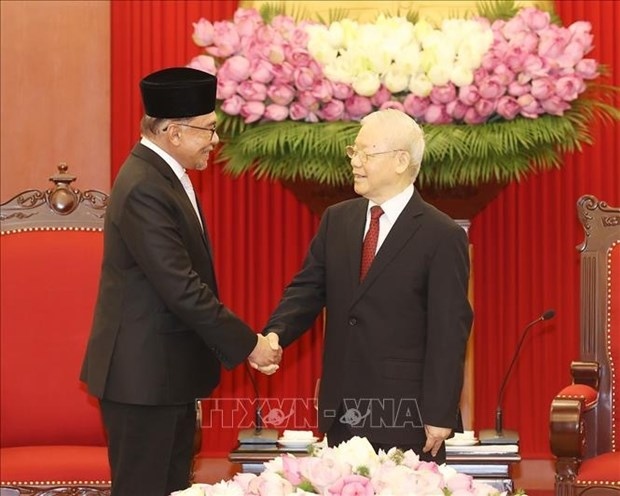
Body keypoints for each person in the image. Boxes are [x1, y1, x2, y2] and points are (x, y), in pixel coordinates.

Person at [80, 67, 282, 496]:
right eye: (207, 130)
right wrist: (250, 344)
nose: (215, 140)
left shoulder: (163, 176)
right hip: (143, 382)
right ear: (172, 131)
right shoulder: (144, 187)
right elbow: (182, 287)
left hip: (164, 376)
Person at [263, 108, 473, 463]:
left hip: (406, 413)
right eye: (353, 152)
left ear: (400, 161)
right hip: (341, 405)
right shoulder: (337, 219)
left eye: (365, 153)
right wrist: (275, 335)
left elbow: (449, 329)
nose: (355, 162)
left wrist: (440, 413)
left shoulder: (441, 235)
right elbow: (307, 289)